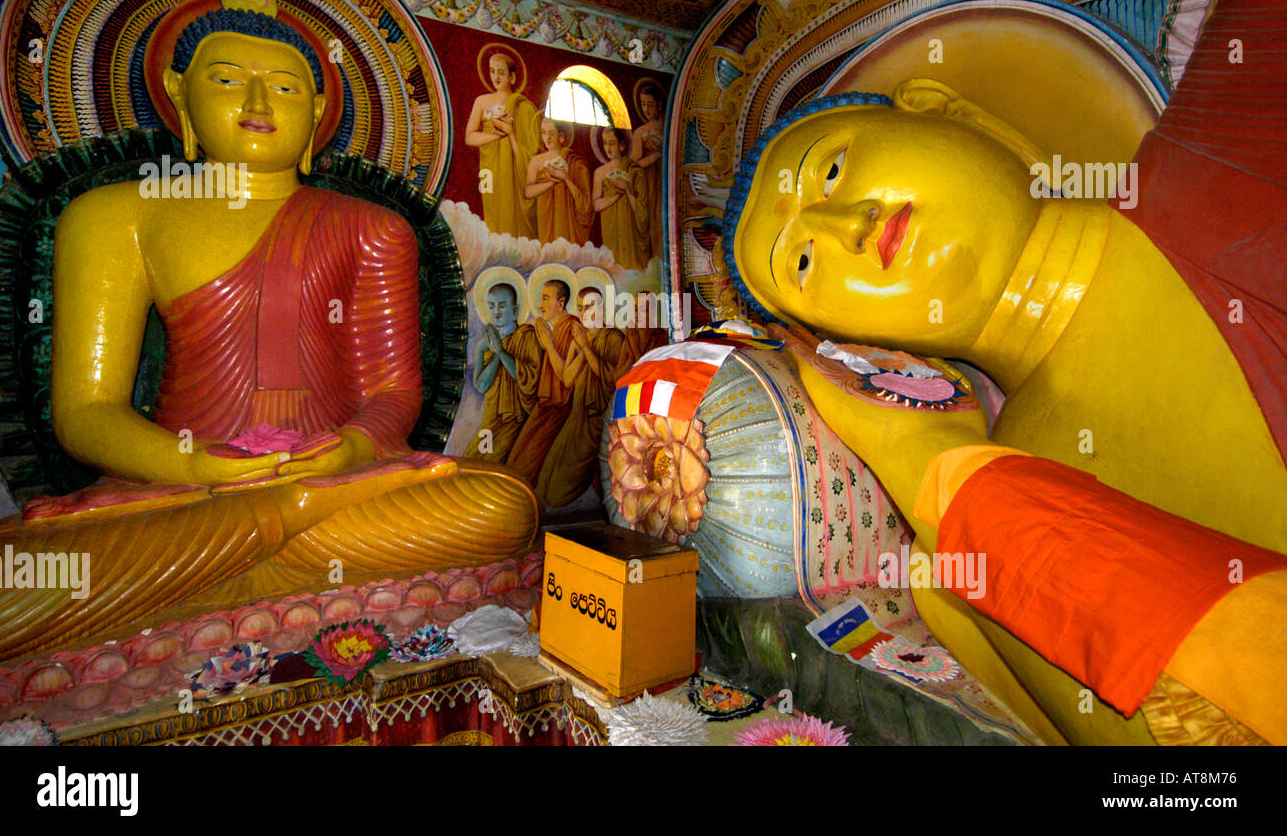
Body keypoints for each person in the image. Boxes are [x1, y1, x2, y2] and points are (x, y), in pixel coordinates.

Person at [0, 0, 539, 664]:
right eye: (226, 82)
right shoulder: (116, 215)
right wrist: (198, 470)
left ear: (316, 113)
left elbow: (394, 394)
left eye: (282, 88)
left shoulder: (373, 227)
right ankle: (270, 547)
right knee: (8, 579)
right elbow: (85, 414)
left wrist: (345, 452)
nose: (254, 105)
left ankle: (241, 561)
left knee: (503, 504)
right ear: (180, 96)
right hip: (180, 493)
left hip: (340, 486)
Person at [724, 81, 1287, 745]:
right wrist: (927, 457)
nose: (849, 225)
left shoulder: (1230, 137)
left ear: (945, 106)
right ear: (846, 341)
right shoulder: (982, 515)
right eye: (804, 262)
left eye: (833, 168)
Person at [538, 285, 633, 506]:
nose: (584, 313)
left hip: (598, 419)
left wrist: (586, 348)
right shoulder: (579, 337)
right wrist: (552, 346)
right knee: (546, 479)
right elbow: (568, 379)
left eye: (589, 307)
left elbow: (612, 380)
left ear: (602, 308)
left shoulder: (614, 338)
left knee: (557, 491)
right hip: (577, 417)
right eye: (580, 308)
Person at [506, 279, 585, 489]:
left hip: (560, 406)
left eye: (545, 298)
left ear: (561, 302)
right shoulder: (553, 328)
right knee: (516, 457)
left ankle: (523, 503)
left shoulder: (573, 328)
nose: (540, 304)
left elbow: (566, 378)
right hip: (545, 403)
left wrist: (548, 345)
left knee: (528, 462)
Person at [464, 48, 539, 238]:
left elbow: (531, 150)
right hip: (488, 167)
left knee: (513, 208)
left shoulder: (523, 106)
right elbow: (470, 137)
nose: (496, 76)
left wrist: (510, 134)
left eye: (501, 72)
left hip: (514, 168)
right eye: (492, 71)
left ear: (512, 77)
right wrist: (498, 136)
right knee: (491, 204)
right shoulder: (481, 101)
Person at [465, 282, 540, 463]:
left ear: (515, 310)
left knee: (494, 464)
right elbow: (481, 386)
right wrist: (493, 353)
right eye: (491, 306)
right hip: (491, 419)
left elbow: (529, 380)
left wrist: (501, 351)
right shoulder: (486, 343)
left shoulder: (527, 336)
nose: (496, 311)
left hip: (514, 419)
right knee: (472, 460)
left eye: (502, 305)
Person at [524, 117, 592, 246]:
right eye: (544, 132)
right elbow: (528, 192)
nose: (547, 138)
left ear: (561, 137)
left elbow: (585, 201)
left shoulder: (574, 161)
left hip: (566, 218)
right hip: (545, 215)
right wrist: (551, 182)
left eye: (551, 133)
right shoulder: (536, 161)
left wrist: (565, 178)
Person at [592, 127, 651, 270]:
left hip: (631, 230)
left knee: (632, 271)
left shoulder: (633, 170)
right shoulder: (600, 172)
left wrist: (626, 190)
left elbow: (642, 210)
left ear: (622, 145)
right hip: (610, 228)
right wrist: (617, 195)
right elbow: (596, 205)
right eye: (605, 143)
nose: (608, 148)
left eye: (611, 143)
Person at [630, 81, 665, 256]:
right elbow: (634, 166)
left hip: (668, 180)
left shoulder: (669, 127)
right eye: (643, 104)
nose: (646, 109)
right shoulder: (640, 133)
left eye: (649, 104)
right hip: (650, 184)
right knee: (654, 220)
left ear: (659, 104)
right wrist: (655, 156)